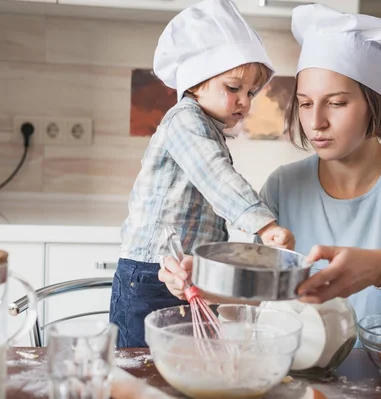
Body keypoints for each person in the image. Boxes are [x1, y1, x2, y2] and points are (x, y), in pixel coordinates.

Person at [159, 4, 381, 336]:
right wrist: (197, 280)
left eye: (336, 103)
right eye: (305, 103)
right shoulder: (283, 186)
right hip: (306, 380)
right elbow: (256, 291)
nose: (316, 122)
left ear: (373, 104)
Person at [110, 0, 295, 348]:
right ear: (196, 83)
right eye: (233, 88)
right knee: (141, 368)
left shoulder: (207, 127)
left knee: (185, 363)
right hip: (150, 273)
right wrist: (263, 225)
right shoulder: (185, 120)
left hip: (183, 271)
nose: (245, 101)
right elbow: (214, 175)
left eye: (251, 92)